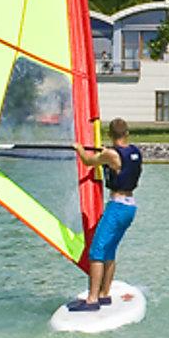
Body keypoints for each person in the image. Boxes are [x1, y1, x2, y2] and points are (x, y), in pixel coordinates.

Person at [68, 119, 141, 313]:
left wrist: (79, 149)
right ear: (127, 133)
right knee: (109, 250)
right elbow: (116, 159)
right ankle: (104, 294)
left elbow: (88, 162)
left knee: (96, 252)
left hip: (117, 207)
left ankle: (92, 300)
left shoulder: (110, 154)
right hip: (130, 207)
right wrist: (105, 152)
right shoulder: (135, 151)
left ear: (110, 135)